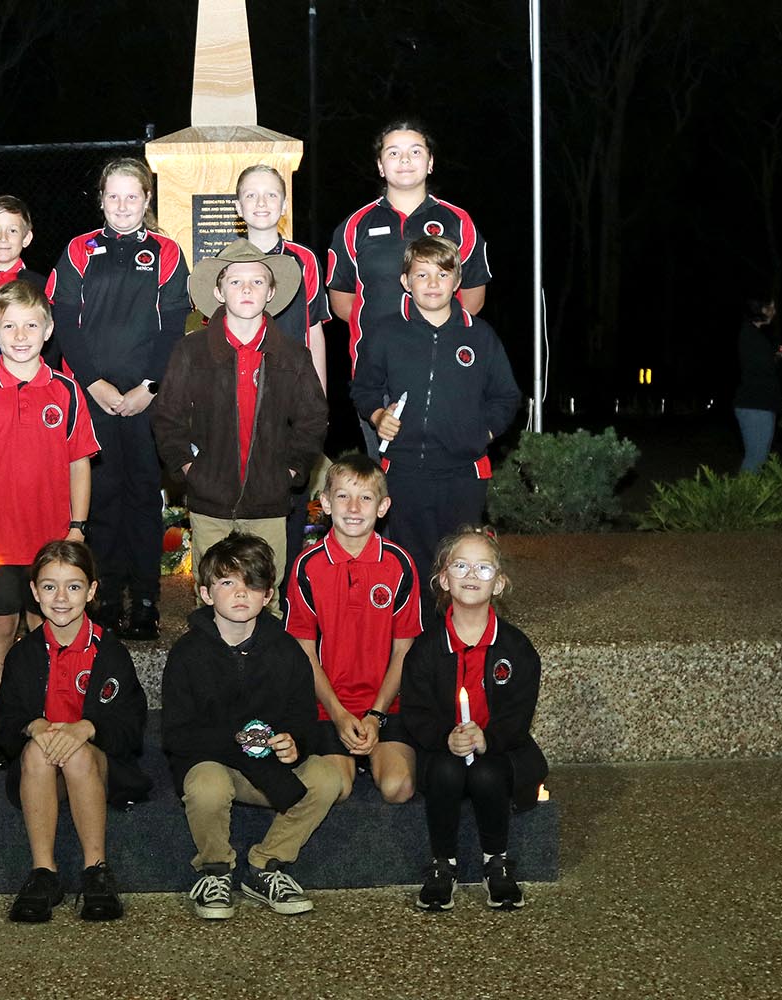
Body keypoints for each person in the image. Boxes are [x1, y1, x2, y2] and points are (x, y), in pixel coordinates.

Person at [0, 280, 99, 766]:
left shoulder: (67, 391)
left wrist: (76, 528)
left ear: (48, 330)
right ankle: (6, 727)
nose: (20, 334)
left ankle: (49, 725)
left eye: (31, 325)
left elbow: (80, 463)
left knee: (46, 631)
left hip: (52, 547)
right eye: (9, 325)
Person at [162, 533, 345, 920]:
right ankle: (215, 870)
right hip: (213, 762)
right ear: (207, 594)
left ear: (267, 596)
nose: (240, 593)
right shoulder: (187, 654)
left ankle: (266, 866)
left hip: (266, 767)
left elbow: (303, 718)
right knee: (207, 786)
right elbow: (177, 734)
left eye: (252, 584)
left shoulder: (286, 650)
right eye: (227, 582)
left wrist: (294, 743)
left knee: (328, 778)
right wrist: (237, 742)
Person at [46, 158, 190, 640]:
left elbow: (172, 327)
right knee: (100, 497)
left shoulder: (167, 252)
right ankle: (104, 596)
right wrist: (93, 384)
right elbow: (65, 320)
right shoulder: (78, 250)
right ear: (101, 200)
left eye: (133, 196)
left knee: (144, 498)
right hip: (94, 398)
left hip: (147, 397)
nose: (123, 205)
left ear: (147, 200)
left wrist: (148, 387)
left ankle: (146, 599)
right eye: (114, 196)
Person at [152, 238, 327, 616]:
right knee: (212, 600)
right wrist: (188, 469)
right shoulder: (191, 351)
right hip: (210, 503)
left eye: (257, 281)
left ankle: (267, 675)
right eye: (235, 281)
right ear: (218, 291)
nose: (246, 289)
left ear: (272, 291)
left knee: (268, 599)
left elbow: (313, 419)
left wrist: (292, 470)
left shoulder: (293, 356)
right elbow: (167, 417)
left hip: (269, 503)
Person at [0, 540, 151, 923]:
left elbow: (131, 725)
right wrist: (35, 724)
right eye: (49, 586)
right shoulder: (23, 655)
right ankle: (44, 873)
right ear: (34, 592)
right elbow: (6, 725)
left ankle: (96, 870)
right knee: (36, 751)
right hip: (39, 774)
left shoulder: (109, 652)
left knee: (75, 753)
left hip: (96, 768)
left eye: (74, 587)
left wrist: (87, 728)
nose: (61, 598)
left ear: (92, 591)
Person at [351, 235, 521, 571]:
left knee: (457, 563)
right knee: (409, 565)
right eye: (422, 274)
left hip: (463, 474)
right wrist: (377, 414)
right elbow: (363, 387)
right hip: (404, 471)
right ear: (406, 281)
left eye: (443, 275)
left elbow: (507, 396)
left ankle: (455, 624)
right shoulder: (386, 333)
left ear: (457, 281)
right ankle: (414, 624)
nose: (432, 283)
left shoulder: (480, 335)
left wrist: (481, 433)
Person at [401, 526, 547, 911]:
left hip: (499, 746)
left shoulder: (517, 648)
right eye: (460, 566)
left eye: (483, 569)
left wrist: (489, 739)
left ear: (499, 584)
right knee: (447, 772)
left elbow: (518, 713)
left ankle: (496, 861)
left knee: (486, 774)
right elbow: (415, 711)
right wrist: (445, 737)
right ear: (443, 578)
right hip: (443, 747)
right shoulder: (426, 648)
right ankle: (442, 864)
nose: (470, 575)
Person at [328, 121, 492, 456]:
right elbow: (344, 301)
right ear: (380, 165)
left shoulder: (458, 222)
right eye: (394, 152)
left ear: (430, 162)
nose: (405, 160)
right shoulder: (354, 226)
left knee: (444, 477)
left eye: (415, 151)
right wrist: (388, 340)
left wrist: (429, 338)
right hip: (378, 379)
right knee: (384, 482)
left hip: (445, 371)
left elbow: (473, 298)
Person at [284, 455, 422, 803]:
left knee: (398, 788)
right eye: (343, 496)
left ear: (383, 506)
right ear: (326, 503)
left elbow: (404, 650)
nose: (354, 507)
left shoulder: (399, 563)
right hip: (328, 706)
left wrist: (375, 714)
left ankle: (376, 753)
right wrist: (339, 714)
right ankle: (348, 756)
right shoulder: (307, 565)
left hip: (386, 705)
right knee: (337, 790)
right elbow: (303, 651)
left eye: (366, 497)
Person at [231, 164, 331, 588]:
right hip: (241, 400)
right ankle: (242, 595)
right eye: (251, 196)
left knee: (288, 496)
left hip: (291, 400)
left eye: (270, 195)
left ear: (284, 204)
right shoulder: (225, 260)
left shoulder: (304, 259)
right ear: (238, 207)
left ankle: (285, 596)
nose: (261, 204)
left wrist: (319, 399)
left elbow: (313, 329)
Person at [733, 297, 782, 473]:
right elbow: (760, 367)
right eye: (771, 307)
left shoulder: (754, 334)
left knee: (759, 457)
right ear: (760, 309)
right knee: (756, 458)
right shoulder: (749, 334)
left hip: (760, 404)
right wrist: (774, 360)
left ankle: (749, 498)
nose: (774, 312)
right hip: (755, 404)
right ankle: (742, 499)